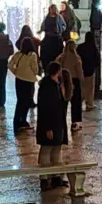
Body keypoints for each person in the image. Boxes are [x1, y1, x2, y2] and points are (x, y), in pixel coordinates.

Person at [36, 62, 69, 190]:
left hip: (57, 122)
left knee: (57, 148)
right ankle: (44, 179)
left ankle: (56, 177)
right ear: (57, 71)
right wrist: (48, 128)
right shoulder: (47, 87)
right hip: (49, 123)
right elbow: (46, 108)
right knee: (46, 149)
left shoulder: (56, 84)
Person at [9, 37, 40, 132]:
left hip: (19, 79)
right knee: (27, 101)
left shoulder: (18, 54)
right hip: (29, 81)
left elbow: (10, 65)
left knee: (20, 101)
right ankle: (23, 120)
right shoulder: (32, 55)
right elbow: (35, 69)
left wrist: (16, 73)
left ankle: (16, 120)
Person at [56, 39, 84, 131]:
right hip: (74, 81)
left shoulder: (61, 57)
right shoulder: (76, 57)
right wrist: (82, 81)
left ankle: (61, 121)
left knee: (63, 102)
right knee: (76, 102)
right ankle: (75, 123)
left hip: (64, 80)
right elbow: (79, 72)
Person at [77, 31, 100, 111]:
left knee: (82, 87)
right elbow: (97, 60)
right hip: (90, 70)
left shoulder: (80, 47)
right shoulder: (94, 48)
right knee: (90, 88)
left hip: (81, 70)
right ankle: (89, 103)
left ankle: (80, 101)